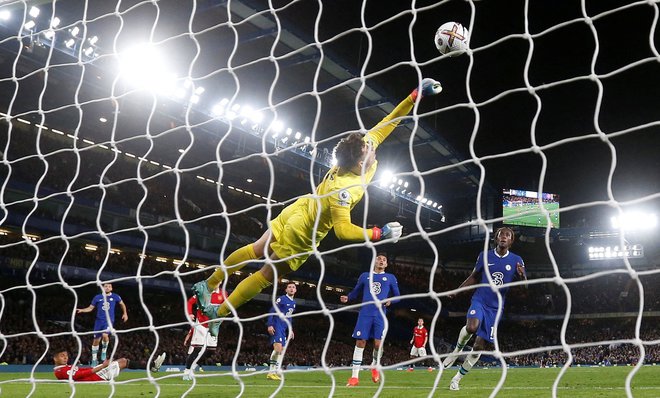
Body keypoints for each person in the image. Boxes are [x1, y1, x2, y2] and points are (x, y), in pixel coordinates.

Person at [193, 78, 443, 336]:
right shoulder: (347, 188)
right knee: (266, 274)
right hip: (303, 231)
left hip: (300, 207)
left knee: (257, 248)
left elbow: (391, 119)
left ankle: (208, 283)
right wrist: (380, 234)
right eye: (368, 149)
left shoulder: (361, 150)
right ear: (359, 163)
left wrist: (416, 95)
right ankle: (218, 315)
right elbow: (343, 231)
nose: (372, 146)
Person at [442, 227, 527, 391]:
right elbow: (474, 276)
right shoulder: (485, 256)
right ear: (496, 239)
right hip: (480, 299)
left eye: (507, 235)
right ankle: (457, 351)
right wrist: (458, 290)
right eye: (500, 235)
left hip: (496, 308)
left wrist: (523, 276)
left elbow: (524, 289)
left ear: (511, 241)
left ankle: (457, 378)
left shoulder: (517, 260)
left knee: (479, 347)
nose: (503, 237)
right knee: (471, 327)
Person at [341, 253, 400, 387]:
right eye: (379, 259)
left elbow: (398, 296)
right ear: (374, 261)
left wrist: (391, 300)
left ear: (386, 264)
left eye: (384, 260)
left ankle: (375, 365)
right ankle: (354, 377)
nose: (381, 261)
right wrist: (348, 298)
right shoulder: (364, 276)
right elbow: (356, 292)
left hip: (380, 315)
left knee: (378, 345)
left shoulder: (390, 278)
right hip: (365, 314)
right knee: (360, 342)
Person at [76, 283, 128, 366]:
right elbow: (90, 308)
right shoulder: (97, 297)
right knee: (96, 341)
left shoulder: (115, 296)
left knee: (105, 335)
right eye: (105, 286)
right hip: (99, 321)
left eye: (109, 286)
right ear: (103, 288)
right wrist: (82, 310)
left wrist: (125, 313)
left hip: (109, 320)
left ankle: (104, 351)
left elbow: (122, 304)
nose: (107, 288)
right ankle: (94, 359)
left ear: (111, 288)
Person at [182, 287, 228, 381]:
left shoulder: (223, 293)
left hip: (213, 325)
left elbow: (227, 306)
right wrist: (190, 313)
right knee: (197, 348)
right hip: (201, 324)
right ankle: (186, 372)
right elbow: (190, 302)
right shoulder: (202, 292)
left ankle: (193, 366)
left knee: (211, 350)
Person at [53, 348, 166, 382]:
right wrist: (101, 367)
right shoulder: (60, 371)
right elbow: (78, 375)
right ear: (55, 358)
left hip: (95, 375)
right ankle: (153, 366)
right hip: (96, 378)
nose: (65, 357)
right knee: (123, 361)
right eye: (62, 355)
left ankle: (153, 366)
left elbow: (84, 370)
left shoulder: (65, 367)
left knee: (123, 360)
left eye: (66, 355)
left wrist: (100, 366)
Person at [266, 282, 297, 381]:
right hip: (277, 325)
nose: (291, 289)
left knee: (281, 351)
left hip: (283, 328)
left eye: (293, 287)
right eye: (289, 287)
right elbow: (272, 311)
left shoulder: (294, 303)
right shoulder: (281, 299)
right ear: (286, 290)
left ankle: (273, 372)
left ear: (295, 290)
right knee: (278, 349)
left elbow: (289, 318)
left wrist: (290, 329)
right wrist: (270, 324)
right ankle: (272, 372)